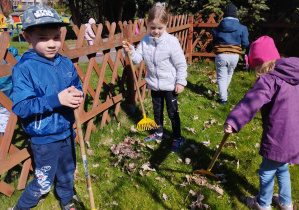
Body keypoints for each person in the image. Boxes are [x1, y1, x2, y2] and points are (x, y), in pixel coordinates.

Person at [11, 5, 83, 210]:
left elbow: (76, 86)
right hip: (44, 138)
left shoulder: (65, 63)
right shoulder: (24, 69)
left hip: (67, 132)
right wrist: (57, 100)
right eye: (43, 38)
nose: (52, 44)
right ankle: (22, 206)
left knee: (68, 172)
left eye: (56, 37)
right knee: (43, 181)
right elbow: (22, 107)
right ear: (27, 37)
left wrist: (78, 95)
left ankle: (67, 200)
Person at [224, 36, 296, 210]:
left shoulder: (269, 80)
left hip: (277, 136)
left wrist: (234, 121)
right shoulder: (293, 74)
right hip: (294, 135)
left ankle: (263, 204)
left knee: (267, 171)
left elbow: (251, 102)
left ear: (259, 64)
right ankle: (286, 203)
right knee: (282, 168)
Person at [122, 3, 187, 152]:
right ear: (148, 25)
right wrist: (130, 50)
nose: (156, 31)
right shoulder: (145, 41)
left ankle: (177, 137)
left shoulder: (172, 42)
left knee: (172, 112)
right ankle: (159, 132)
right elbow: (137, 59)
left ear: (166, 25)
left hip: (170, 85)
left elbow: (181, 64)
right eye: (152, 28)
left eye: (160, 28)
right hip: (154, 85)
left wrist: (181, 81)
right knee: (157, 111)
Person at [212, 3, 249, 105]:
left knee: (221, 76)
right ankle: (223, 94)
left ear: (225, 14)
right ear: (235, 14)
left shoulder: (218, 27)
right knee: (229, 73)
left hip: (221, 55)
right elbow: (245, 43)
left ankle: (223, 99)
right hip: (235, 55)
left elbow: (214, 39)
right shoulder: (242, 28)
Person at [0, 47, 22, 136]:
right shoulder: (17, 59)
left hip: (6, 98)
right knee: (4, 115)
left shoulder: (13, 60)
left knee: (4, 115)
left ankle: (3, 138)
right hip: (10, 97)